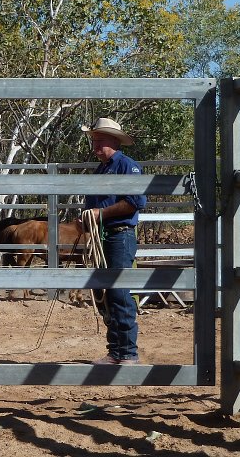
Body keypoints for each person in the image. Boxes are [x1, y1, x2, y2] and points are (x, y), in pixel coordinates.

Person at [81, 117, 146, 365]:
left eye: (100, 141)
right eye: (94, 141)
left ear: (114, 141)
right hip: (104, 236)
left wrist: (99, 214)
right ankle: (115, 350)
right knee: (104, 294)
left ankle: (127, 352)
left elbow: (133, 203)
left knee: (118, 293)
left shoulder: (128, 166)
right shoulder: (102, 169)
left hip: (120, 235)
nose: (96, 146)